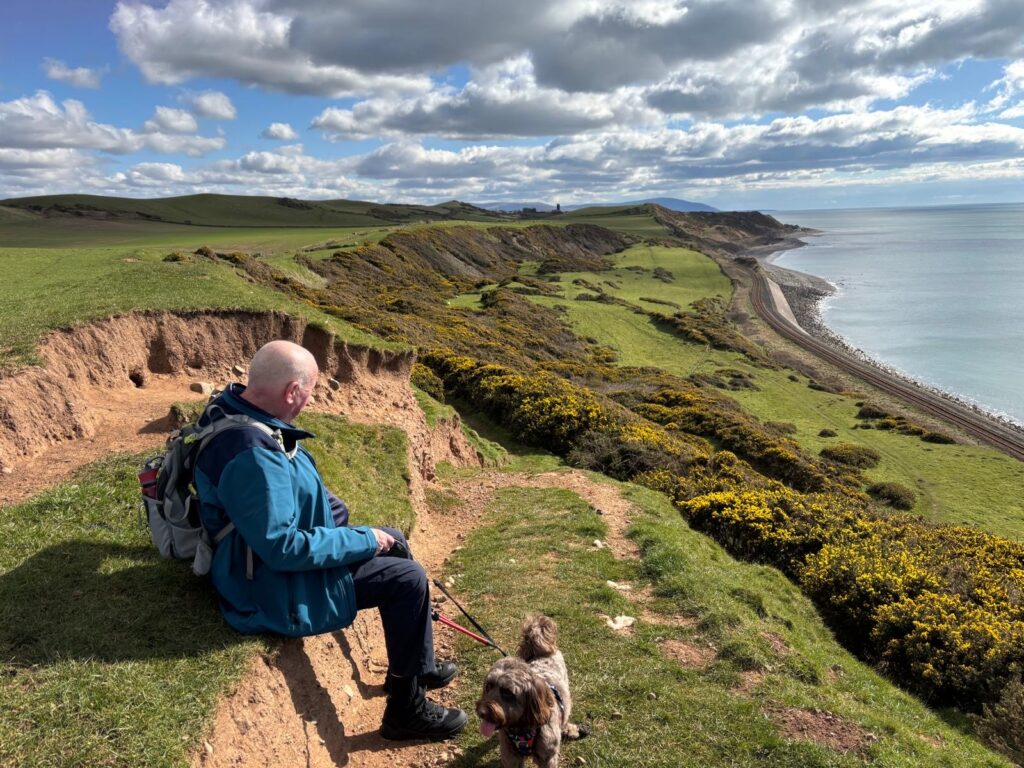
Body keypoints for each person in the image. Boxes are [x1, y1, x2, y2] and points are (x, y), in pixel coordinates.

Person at [193, 339, 467, 741]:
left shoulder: (236, 410)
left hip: (257, 562)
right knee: (407, 581)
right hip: (265, 590)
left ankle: (415, 666)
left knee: (393, 540)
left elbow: (284, 504)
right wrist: (362, 541)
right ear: (291, 391)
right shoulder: (251, 452)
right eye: (309, 392)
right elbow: (282, 548)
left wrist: (360, 532)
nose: (309, 401)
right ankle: (405, 709)